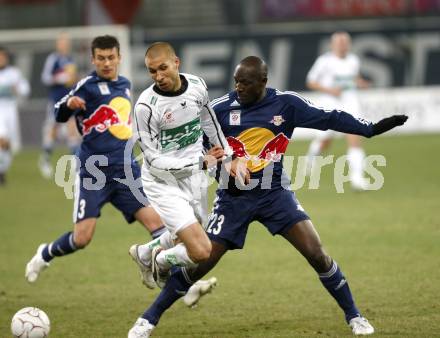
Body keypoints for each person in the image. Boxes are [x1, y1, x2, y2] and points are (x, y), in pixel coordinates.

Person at [126, 56, 408, 337]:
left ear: (263, 82)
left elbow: (329, 117)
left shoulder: (286, 104)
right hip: (232, 199)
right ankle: (147, 320)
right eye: (236, 81)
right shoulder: (220, 110)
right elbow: (193, 144)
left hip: (275, 194)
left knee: (317, 253)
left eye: (246, 83)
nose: (239, 88)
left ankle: (355, 316)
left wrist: (369, 129)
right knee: (201, 262)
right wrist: (217, 163)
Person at [25, 35, 166, 284]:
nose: (107, 63)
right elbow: (58, 112)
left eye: (111, 57)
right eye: (101, 58)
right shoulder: (87, 85)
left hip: (125, 170)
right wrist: (70, 104)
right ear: (93, 59)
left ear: (119, 58)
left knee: (157, 224)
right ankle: (44, 253)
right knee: (82, 238)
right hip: (94, 172)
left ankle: (179, 281)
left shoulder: (124, 84)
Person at [127, 42, 240, 298]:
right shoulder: (146, 106)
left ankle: (145, 254)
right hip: (163, 183)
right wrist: (200, 163)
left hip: (195, 178)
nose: (159, 76)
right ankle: (161, 261)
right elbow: (153, 161)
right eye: (152, 71)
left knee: (190, 237)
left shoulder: (197, 85)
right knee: (201, 251)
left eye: (163, 68)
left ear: (176, 62)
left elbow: (209, 121)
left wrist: (228, 156)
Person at [304, 31, 370, 190]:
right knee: (325, 140)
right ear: (333, 45)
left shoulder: (353, 60)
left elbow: (353, 78)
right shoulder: (324, 61)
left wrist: (360, 82)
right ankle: (311, 158)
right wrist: (330, 90)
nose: (342, 46)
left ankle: (357, 178)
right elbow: (310, 82)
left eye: (345, 42)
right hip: (330, 103)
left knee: (355, 136)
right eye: (339, 43)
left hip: (350, 103)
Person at [39, 33, 81, 179]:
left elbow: (73, 79)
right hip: (56, 100)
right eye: (62, 43)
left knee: (72, 129)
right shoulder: (53, 59)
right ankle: (45, 159)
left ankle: (76, 164)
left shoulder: (71, 59)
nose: (64, 45)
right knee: (53, 130)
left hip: (69, 100)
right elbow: (45, 77)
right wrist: (59, 78)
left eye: (66, 43)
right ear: (58, 45)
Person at [0, 46, 30, 185]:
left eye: (3, 56)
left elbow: (25, 89)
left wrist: (17, 88)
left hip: (11, 110)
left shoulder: (14, 73)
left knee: (9, 145)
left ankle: (2, 170)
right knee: (2, 139)